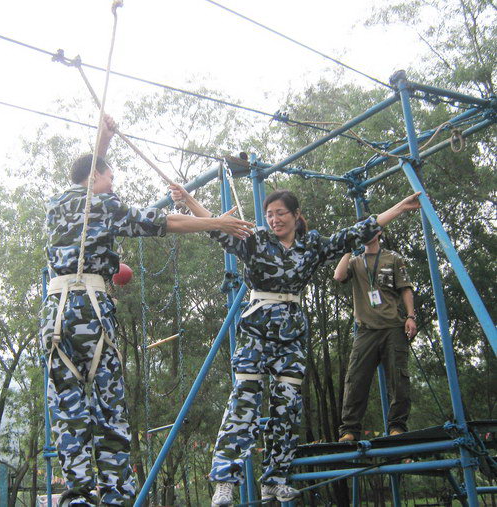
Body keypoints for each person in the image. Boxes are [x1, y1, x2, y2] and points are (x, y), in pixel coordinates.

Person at [41, 115, 254, 507]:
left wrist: (103, 142)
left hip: (54, 314)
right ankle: (115, 496)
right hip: (90, 311)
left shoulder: (55, 205)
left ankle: (77, 497)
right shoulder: (104, 205)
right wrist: (215, 222)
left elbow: (88, 179)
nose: (112, 186)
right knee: (109, 407)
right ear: (97, 178)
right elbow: (163, 221)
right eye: (110, 178)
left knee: (68, 407)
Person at [169, 184, 421, 505]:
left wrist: (398, 208)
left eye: (280, 213)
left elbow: (354, 234)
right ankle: (224, 480)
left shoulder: (312, 245)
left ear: (296, 215)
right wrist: (188, 200)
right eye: (269, 214)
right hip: (257, 326)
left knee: (287, 406)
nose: (274, 220)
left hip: (291, 330)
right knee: (244, 399)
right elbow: (216, 226)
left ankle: (275, 478)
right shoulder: (256, 240)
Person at [334, 231, 417, 442]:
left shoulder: (393, 258)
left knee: (398, 379)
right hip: (366, 330)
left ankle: (397, 426)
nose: (365, 234)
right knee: (355, 378)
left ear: (378, 232)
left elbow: (406, 289)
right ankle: (350, 429)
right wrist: (347, 248)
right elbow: (339, 276)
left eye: (370, 230)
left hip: (393, 327)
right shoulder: (355, 261)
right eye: (362, 231)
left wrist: (410, 316)